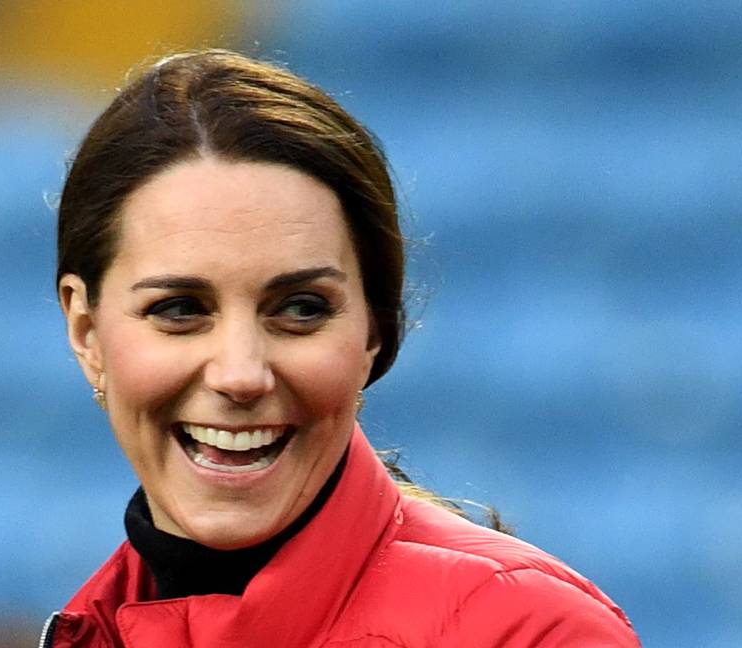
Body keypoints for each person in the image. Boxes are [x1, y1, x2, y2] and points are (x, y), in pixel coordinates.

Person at [47, 49, 640, 647]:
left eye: (301, 308)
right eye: (179, 309)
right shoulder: (89, 630)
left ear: (375, 330)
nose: (241, 373)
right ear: (86, 331)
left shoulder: (531, 633)